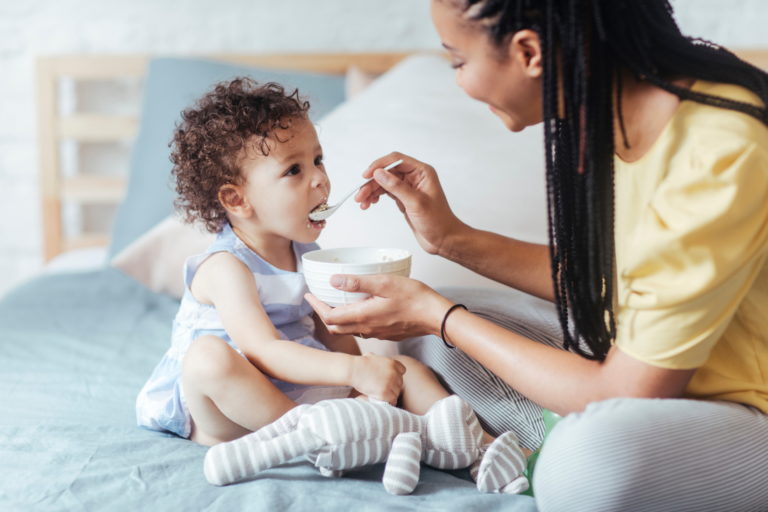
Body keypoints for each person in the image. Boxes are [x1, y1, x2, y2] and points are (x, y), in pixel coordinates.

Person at [304, 1, 768, 510]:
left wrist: (440, 316)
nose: (459, 80)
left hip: (745, 408)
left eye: (457, 61)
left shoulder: (717, 151)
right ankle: (545, 419)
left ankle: (550, 436)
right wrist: (447, 239)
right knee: (427, 338)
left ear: (529, 52)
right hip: (656, 367)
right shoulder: (612, 111)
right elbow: (608, 284)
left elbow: (626, 391)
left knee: (583, 462)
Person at [134, 78, 465, 449]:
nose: (321, 180)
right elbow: (265, 350)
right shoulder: (225, 267)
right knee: (207, 359)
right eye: (294, 170)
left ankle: (478, 448)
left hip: (299, 395)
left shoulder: (308, 255)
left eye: (318, 160)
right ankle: (318, 439)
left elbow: (331, 332)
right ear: (236, 199)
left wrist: (364, 380)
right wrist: (353, 371)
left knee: (408, 372)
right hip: (232, 411)